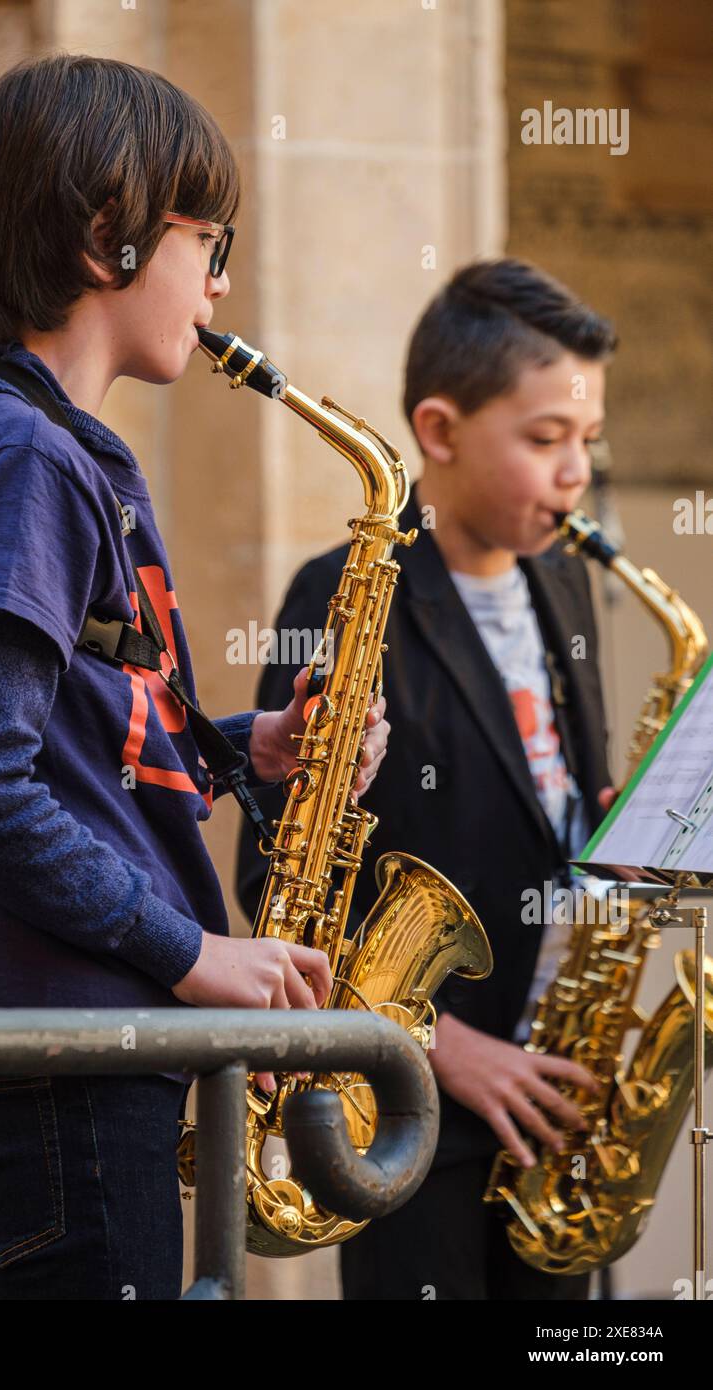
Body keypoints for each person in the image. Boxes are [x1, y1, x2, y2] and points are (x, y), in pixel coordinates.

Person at [0, 53, 390, 1300]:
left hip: (80, 1041)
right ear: (109, 235)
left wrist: (234, 749)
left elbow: (57, 734)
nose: (222, 287)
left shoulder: (28, 446)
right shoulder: (21, 456)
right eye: (207, 245)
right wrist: (189, 954)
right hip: (70, 1046)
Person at [235, 257, 618, 1300]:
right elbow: (272, 874)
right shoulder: (339, 592)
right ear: (439, 431)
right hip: (412, 1115)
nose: (574, 470)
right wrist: (445, 1048)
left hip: (551, 1097)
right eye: (543, 440)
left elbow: (563, 802)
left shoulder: (566, 583)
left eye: (585, 440)